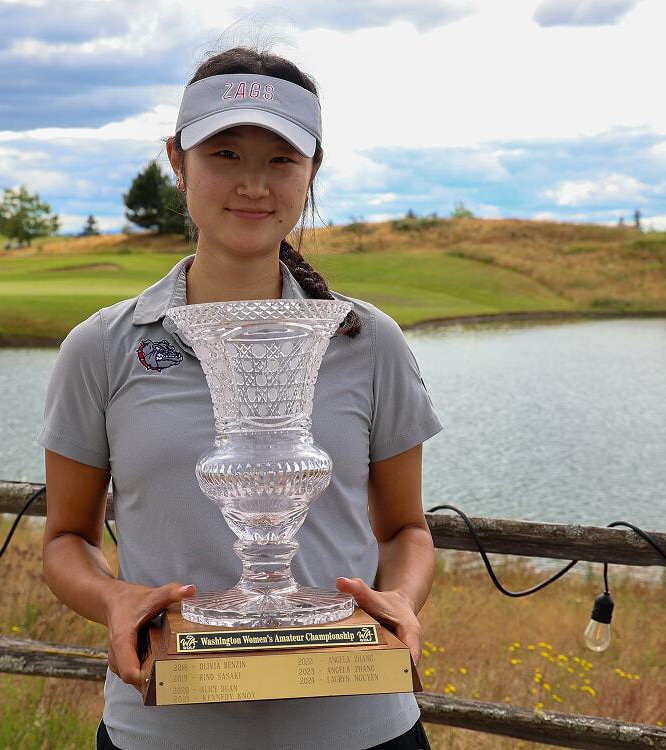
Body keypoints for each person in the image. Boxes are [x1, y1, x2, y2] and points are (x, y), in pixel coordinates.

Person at [37, 46, 443, 750]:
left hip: (359, 727)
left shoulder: (367, 339)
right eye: (224, 153)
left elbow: (406, 528)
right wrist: (115, 597)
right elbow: (66, 540)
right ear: (177, 160)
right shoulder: (101, 347)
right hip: (163, 731)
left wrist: (400, 601)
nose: (253, 184)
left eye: (282, 159)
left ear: (313, 170)